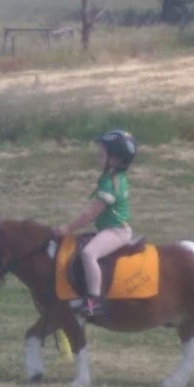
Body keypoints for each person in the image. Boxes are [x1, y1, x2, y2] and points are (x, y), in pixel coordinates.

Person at [52, 129, 137, 319]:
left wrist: (68, 228)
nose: (98, 158)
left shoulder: (110, 182)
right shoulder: (113, 178)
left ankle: (94, 302)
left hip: (116, 231)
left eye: (102, 154)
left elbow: (91, 213)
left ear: (114, 159)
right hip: (111, 229)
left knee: (89, 253)